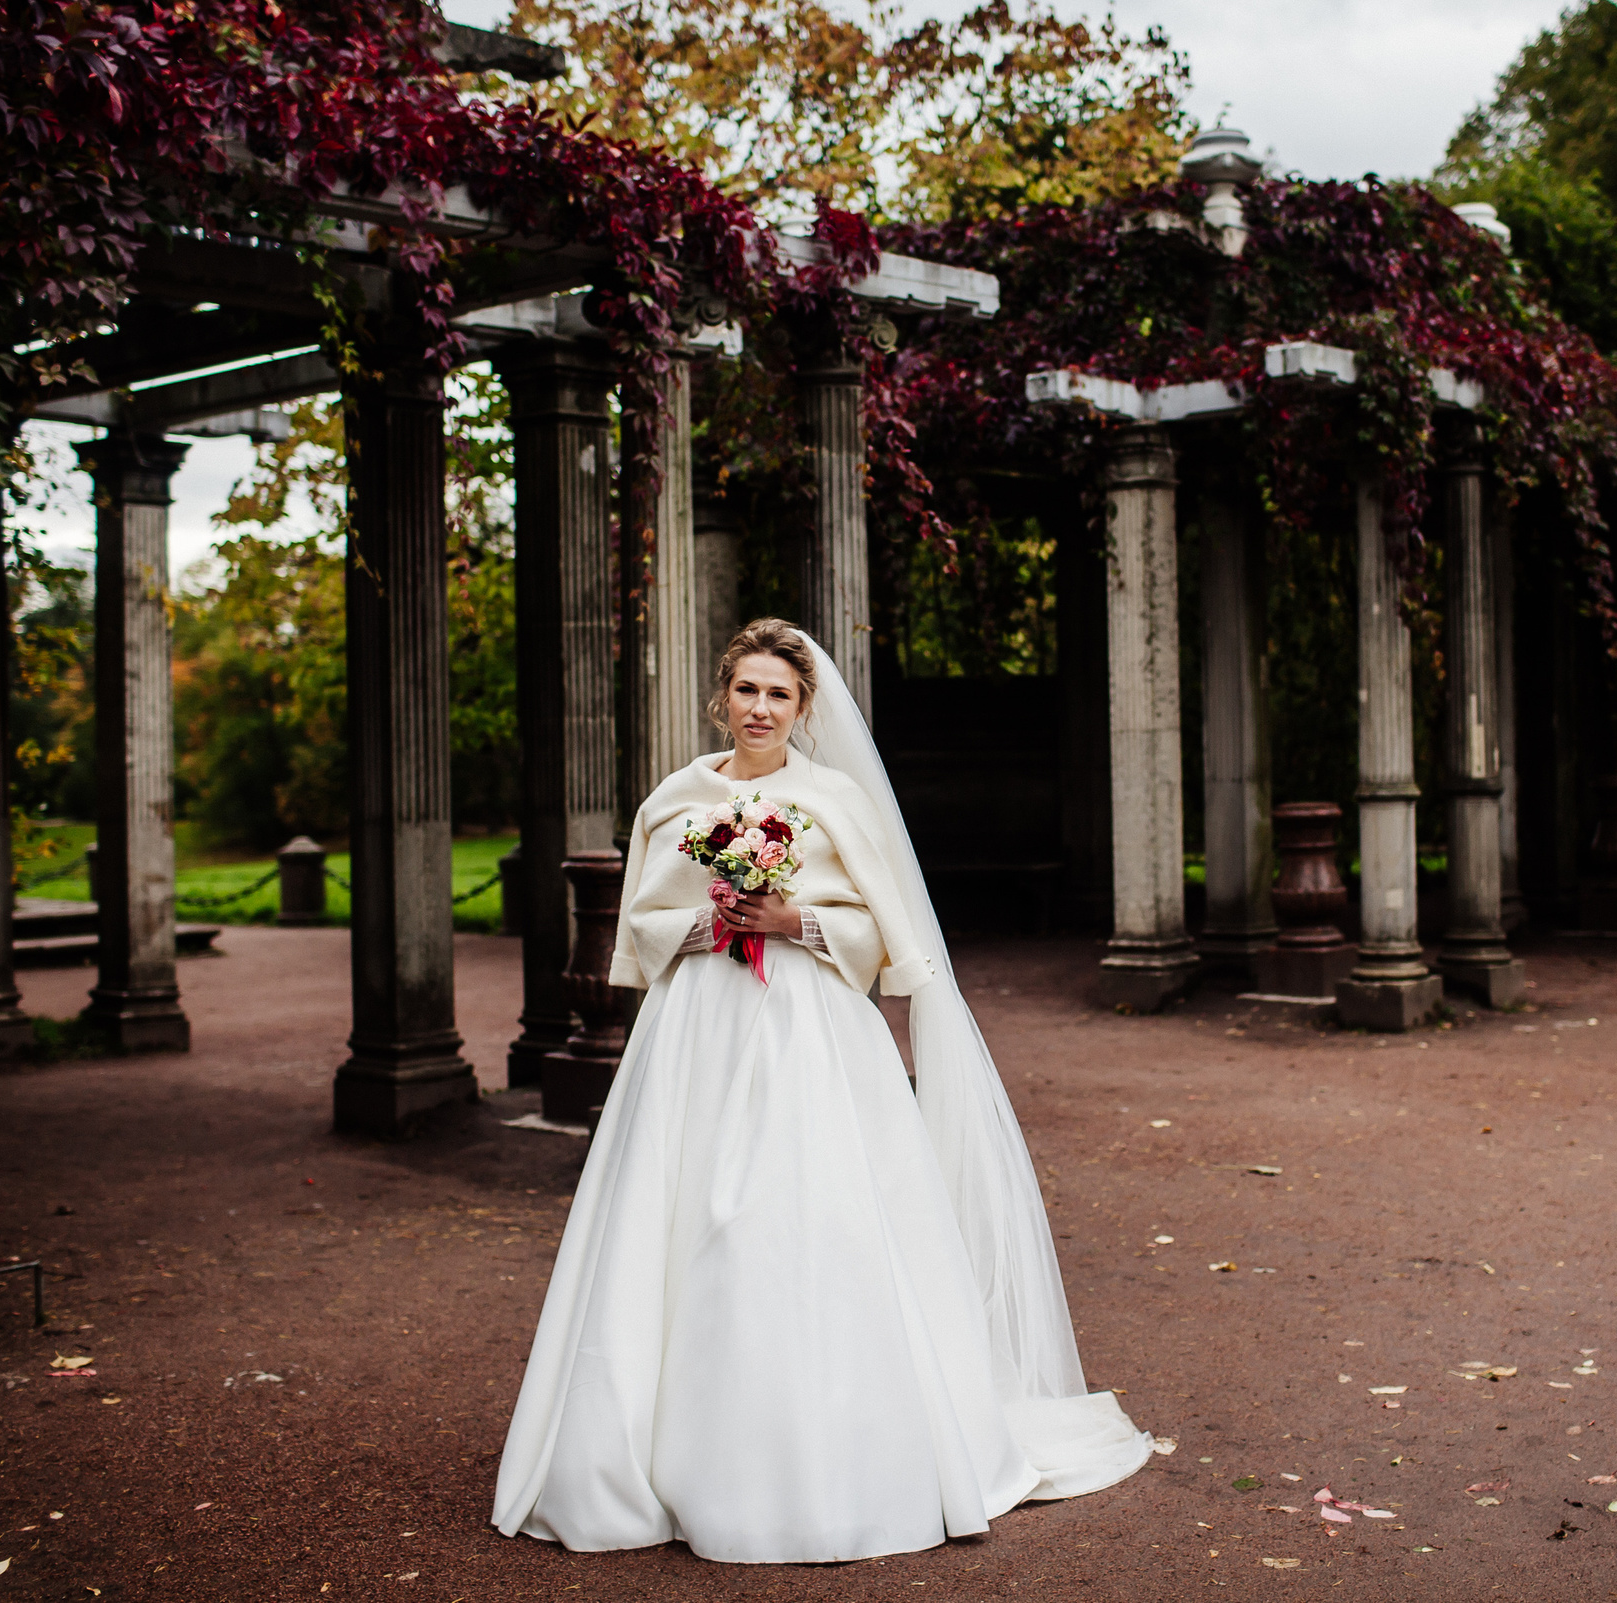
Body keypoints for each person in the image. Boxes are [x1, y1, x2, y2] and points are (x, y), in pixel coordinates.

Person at [491, 618, 1149, 1563]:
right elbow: (643, 921)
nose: (761, 708)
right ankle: (653, 1454)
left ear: (803, 708)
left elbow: (883, 930)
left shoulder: (835, 799)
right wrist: (710, 922)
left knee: (810, 1212)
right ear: (722, 694)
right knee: (683, 1215)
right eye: (747, 689)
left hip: (810, 1030)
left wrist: (793, 918)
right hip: (697, 1031)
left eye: (780, 694)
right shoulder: (675, 799)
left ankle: (837, 1451)